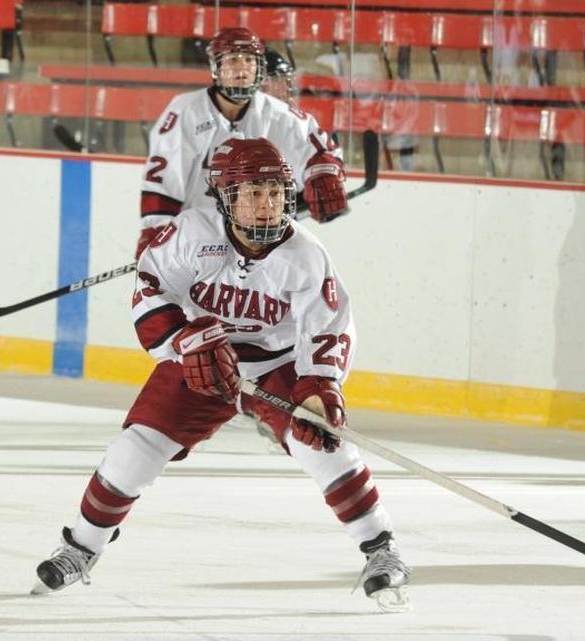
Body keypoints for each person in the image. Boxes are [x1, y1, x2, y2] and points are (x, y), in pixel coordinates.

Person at [33, 137, 411, 612]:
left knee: (324, 448)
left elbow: (329, 329)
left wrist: (318, 390)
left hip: (277, 366)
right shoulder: (192, 232)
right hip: (199, 359)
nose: (267, 204)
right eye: (254, 193)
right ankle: (80, 548)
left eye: (275, 192)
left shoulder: (306, 255)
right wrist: (184, 341)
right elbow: (150, 287)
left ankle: (382, 550)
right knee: (133, 452)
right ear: (227, 197)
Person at [136, 27, 348, 260]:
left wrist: (324, 175)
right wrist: (156, 232)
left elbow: (321, 150)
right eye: (233, 60)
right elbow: (163, 184)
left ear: (259, 66)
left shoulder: (279, 114)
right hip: (199, 238)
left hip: (260, 239)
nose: (242, 68)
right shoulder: (185, 111)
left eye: (249, 60)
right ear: (216, 67)